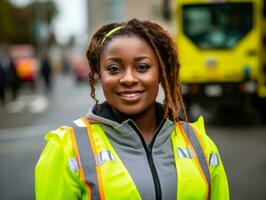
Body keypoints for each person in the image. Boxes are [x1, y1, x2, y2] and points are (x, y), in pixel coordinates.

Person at [35, 19, 229, 200]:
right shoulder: (65, 147)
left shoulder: (199, 141)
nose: (128, 78)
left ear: (160, 73)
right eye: (113, 69)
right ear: (99, 75)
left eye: (142, 67)